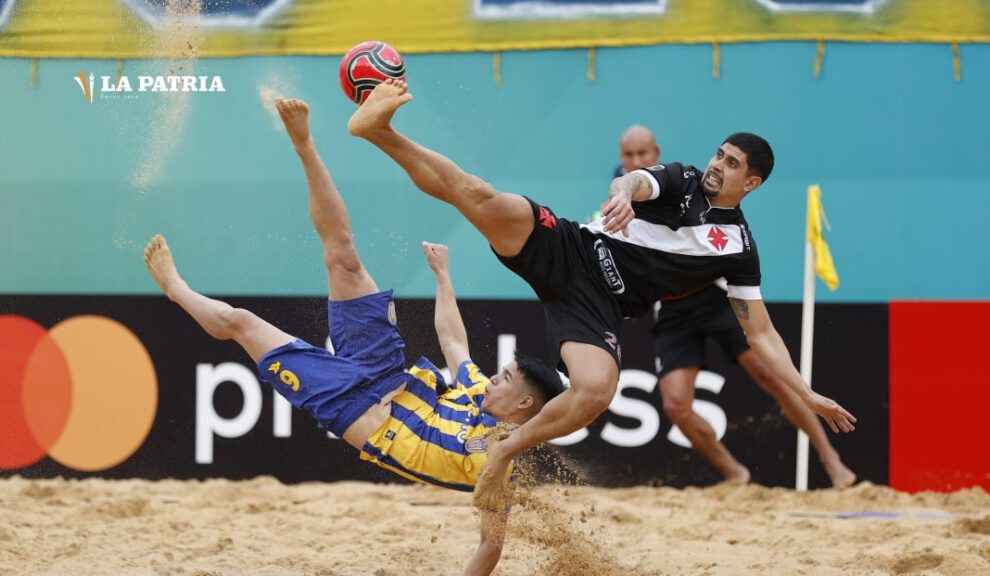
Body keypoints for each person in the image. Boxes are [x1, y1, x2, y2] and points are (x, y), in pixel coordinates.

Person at [345, 80, 856, 511]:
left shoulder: (739, 249)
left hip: (598, 305)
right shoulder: (682, 179)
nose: (718, 164)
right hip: (570, 248)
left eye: (733, 162)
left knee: (596, 390)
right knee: (477, 196)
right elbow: (637, 181)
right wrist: (620, 194)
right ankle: (380, 131)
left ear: (753, 181)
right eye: (719, 153)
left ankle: (504, 452)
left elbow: (760, 329)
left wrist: (806, 392)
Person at [142, 98, 564, 576]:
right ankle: (304, 144)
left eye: (505, 378)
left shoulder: (500, 463)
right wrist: (442, 274)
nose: (494, 378)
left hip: (352, 407)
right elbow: (453, 341)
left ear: (524, 404)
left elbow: (490, 548)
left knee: (243, 323)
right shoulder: (474, 391)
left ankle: (177, 291)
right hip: (385, 368)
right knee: (343, 254)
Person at [653, 281, 857, 486]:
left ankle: (829, 456)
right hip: (671, 306)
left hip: (716, 292)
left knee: (771, 375)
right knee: (675, 405)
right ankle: (735, 473)